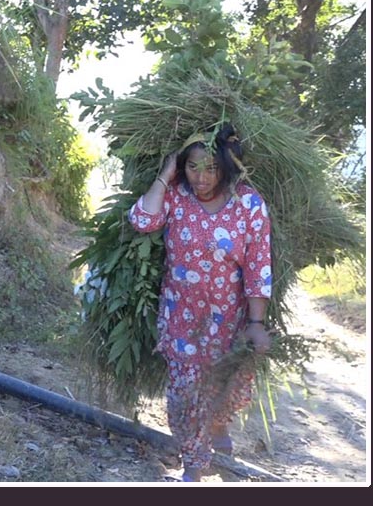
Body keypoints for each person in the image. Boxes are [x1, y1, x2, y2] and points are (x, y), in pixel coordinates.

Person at [128, 123, 273, 482]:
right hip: (181, 316)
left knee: (224, 387)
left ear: (226, 166)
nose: (202, 177)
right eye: (193, 167)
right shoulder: (176, 196)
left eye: (211, 168)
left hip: (228, 320)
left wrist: (256, 323)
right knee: (182, 394)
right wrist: (166, 174)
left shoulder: (248, 205)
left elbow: (258, 266)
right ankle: (194, 462)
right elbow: (142, 220)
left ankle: (219, 432)